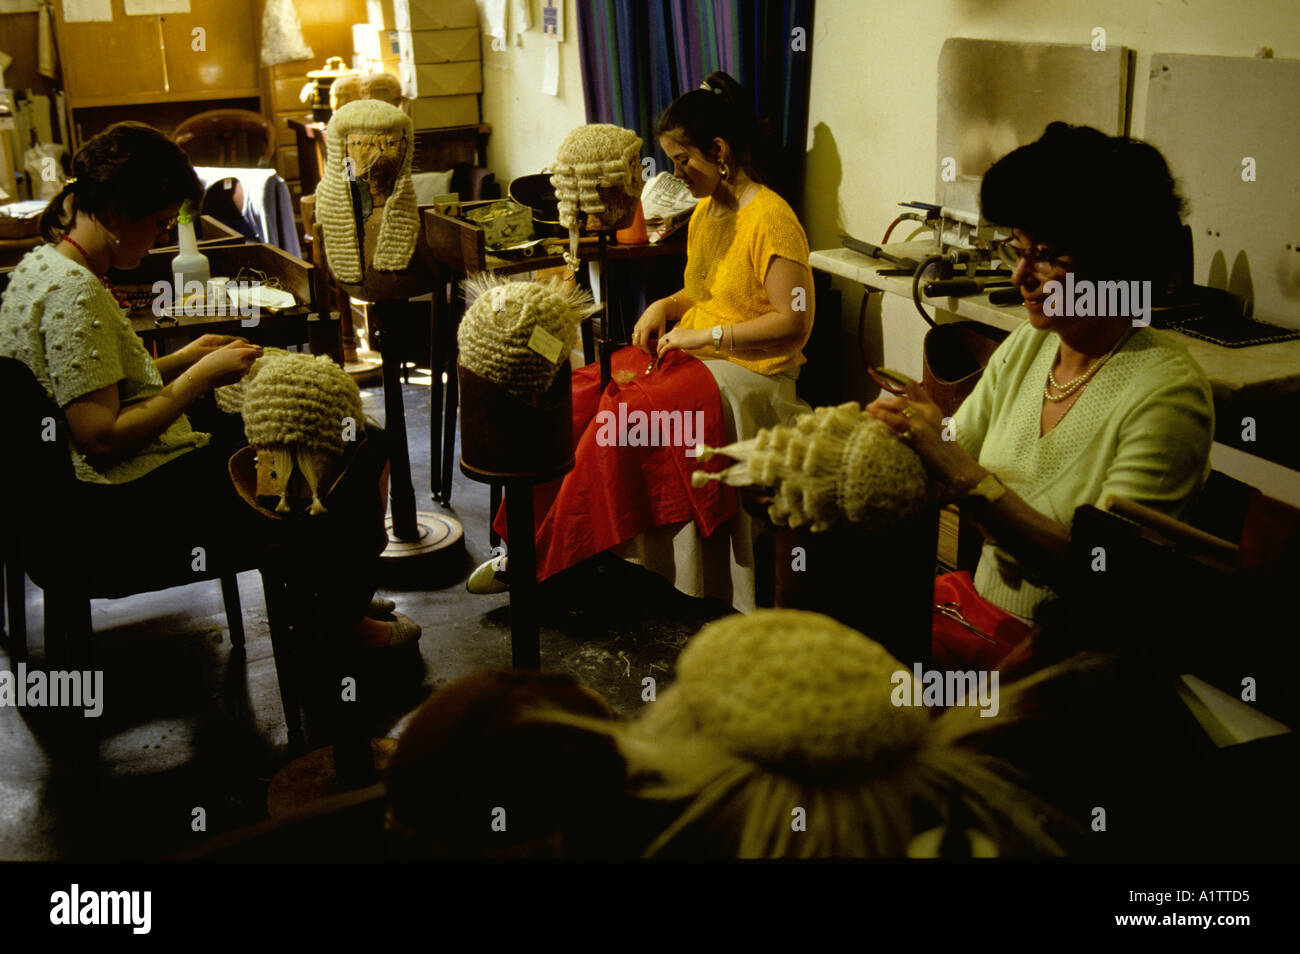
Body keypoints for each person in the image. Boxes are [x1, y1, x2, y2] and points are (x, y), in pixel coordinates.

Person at [0, 121, 417, 648]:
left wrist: (184, 359)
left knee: (297, 439)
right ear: (114, 214)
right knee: (343, 450)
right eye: (156, 223)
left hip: (65, 494)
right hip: (121, 505)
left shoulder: (42, 268)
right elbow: (101, 435)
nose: (163, 237)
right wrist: (200, 377)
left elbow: (92, 386)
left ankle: (324, 588)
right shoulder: (75, 296)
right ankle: (339, 617)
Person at [867, 122, 1214, 663]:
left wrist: (960, 473)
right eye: (1018, 249)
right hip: (979, 615)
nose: (1020, 275)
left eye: (1047, 255)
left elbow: (1097, 570)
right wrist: (891, 444)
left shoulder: (1168, 394)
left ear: (1116, 261)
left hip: (1073, 658)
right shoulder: (1031, 345)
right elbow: (951, 448)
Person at [471, 73, 814, 610]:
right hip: (699, 349)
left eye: (682, 160)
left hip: (754, 369)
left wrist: (705, 333)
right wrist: (667, 306)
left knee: (621, 417)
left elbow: (793, 323)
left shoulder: (772, 218)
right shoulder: (707, 210)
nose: (675, 173)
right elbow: (703, 288)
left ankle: (553, 555)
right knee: (584, 389)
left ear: (718, 151)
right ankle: (527, 540)